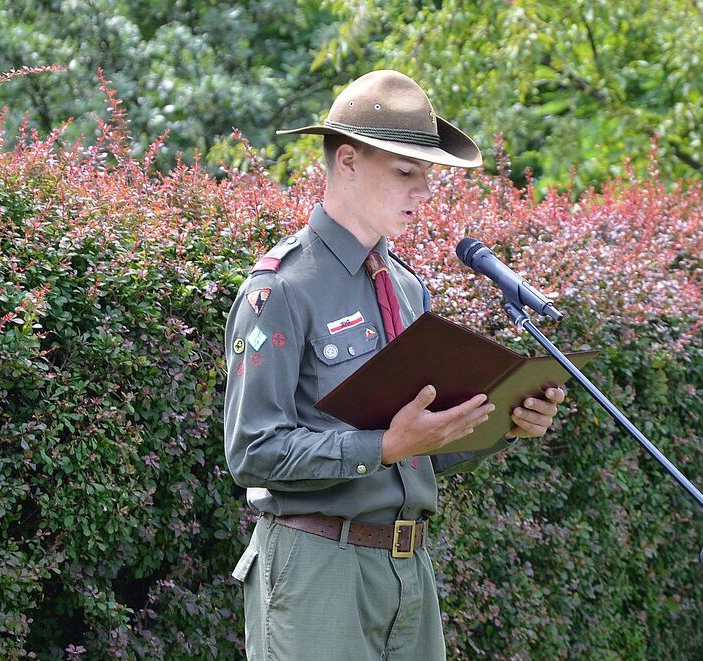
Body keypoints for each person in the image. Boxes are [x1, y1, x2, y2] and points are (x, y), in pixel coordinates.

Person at [224, 69, 566, 661]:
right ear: (348, 162)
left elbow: (422, 447)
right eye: (406, 172)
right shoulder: (281, 289)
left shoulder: (405, 288)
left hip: (408, 570)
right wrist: (381, 447)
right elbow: (252, 451)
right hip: (315, 569)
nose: (422, 191)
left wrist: (507, 421)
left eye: (426, 177)